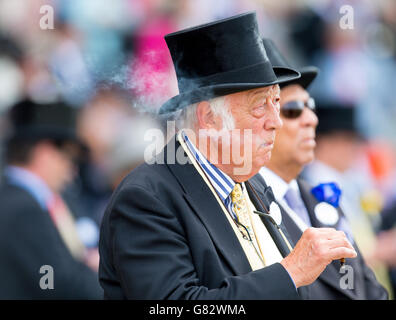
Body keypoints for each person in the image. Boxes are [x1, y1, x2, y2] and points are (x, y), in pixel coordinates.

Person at [99, 12, 357, 300]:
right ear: (208, 117)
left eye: (276, 102)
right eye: (260, 105)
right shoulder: (147, 198)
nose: (276, 121)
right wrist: (290, 272)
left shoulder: (252, 182)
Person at [256, 39, 388, 299]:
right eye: (293, 110)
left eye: (311, 106)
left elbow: (366, 286)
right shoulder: (246, 203)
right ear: (262, 122)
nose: (311, 119)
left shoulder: (321, 197)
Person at [0, 99, 103, 299]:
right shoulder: (22, 209)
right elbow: (60, 283)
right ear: (45, 151)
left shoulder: (41, 201)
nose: (72, 171)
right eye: (69, 157)